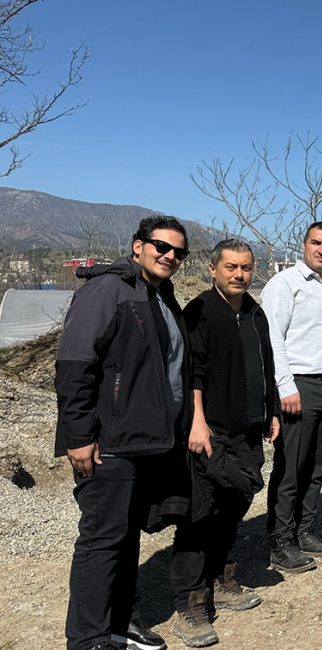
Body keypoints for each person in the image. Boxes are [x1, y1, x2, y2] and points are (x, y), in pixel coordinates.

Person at [55, 215, 192, 650]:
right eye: (161, 247)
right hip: (109, 442)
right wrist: (79, 435)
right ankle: (88, 638)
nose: (169, 256)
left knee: (126, 537)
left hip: (145, 440)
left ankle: (121, 624)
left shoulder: (159, 295)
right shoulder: (106, 290)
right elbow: (75, 365)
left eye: (178, 252)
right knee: (101, 541)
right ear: (138, 246)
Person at [170, 240, 280, 646]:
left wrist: (270, 411)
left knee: (234, 508)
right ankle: (190, 604)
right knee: (201, 515)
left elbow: (265, 365)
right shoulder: (200, 311)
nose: (239, 274)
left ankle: (223, 578)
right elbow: (191, 374)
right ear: (213, 269)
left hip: (248, 431)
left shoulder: (254, 312)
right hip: (210, 432)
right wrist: (197, 422)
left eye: (246, 268)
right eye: (231, 267)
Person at [261, 222, 322, 572]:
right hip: (299, 386)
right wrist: (285, 387)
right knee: (291, 466)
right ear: (304, 245)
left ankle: (304, 530)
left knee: (318, 463)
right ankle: (280, 541)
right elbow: (273, 339)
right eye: (316, 242)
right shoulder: (285, 284)